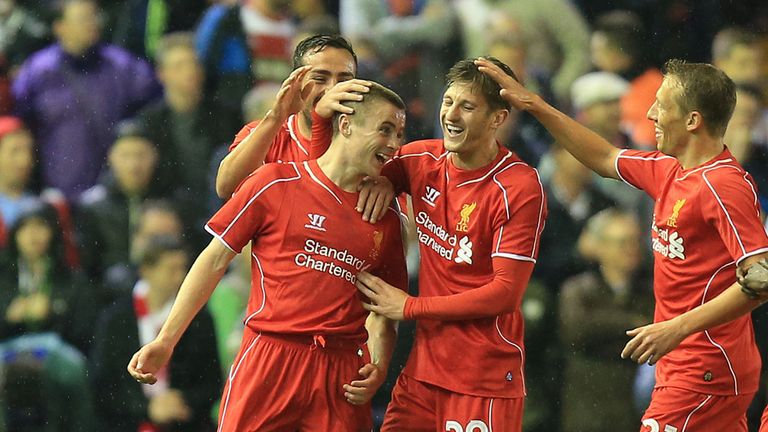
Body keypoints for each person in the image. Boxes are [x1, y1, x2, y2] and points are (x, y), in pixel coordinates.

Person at [475, 57, 768, 431]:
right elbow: (603, 156)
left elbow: (761, 279)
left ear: (693, 120)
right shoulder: (669, 171)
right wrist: (536, 105)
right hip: (689, 365)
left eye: (662, 105)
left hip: (705, 367)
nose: (650, 114)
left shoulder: (723, 184)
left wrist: (677, 328)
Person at [128, 82, 409, 431]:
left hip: (341, 372)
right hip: (270, 356)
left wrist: (379, 365)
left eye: (399, 133)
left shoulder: (386, 217)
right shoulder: (274, 182)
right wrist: (166, 340)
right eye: (385, 129)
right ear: (346, 125)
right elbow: (214, 260)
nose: (395, 144)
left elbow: (385, 308)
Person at [312, 57, 547, 431]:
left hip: (481, 380)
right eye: (448, 101)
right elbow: (333, 170)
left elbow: (505, 294)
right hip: (422, 374)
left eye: (467, 107)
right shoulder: (419, 159)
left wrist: (409, 306)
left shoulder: (518, 187)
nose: (451, 115)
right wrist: (382, 177)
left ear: (497, 119)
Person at [11, 0, 160, 199]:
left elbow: (153, 107)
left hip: (111, 194)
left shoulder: (122, 66)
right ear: (60, 27)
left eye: (94, 17)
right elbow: (20, 123)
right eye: (83, 19)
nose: (92, 24)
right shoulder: (38, 71)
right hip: (58, 192)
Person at [91, 235, 220, 432]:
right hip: (127, 423)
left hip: (185, 423)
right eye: (171, 269)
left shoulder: (198, 318)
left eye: (183, 268)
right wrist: (146, 408)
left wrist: (182, 400)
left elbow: (213, 380)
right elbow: (104, 384)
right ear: (146, 270)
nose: (180, 277)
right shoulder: (116, 319)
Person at [215, 33, 363, 199]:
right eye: (320, 78)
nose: (332, 89)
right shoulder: (266, 133)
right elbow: (225, 187)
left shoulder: (366, 143)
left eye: (344, 81)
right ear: (296, 81)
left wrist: (388, 183)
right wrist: (277, 117)